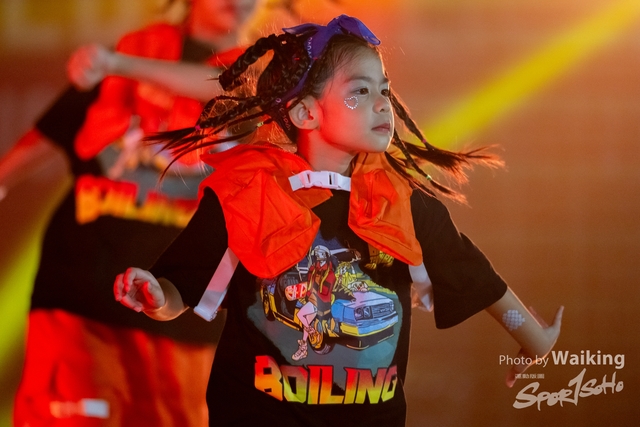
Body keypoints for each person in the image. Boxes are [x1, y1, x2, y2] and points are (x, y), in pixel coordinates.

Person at [113, 15, 564, 426]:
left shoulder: (404, 203)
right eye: (360, 92)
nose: (382, 104)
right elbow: (181, 289)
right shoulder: (247, 193)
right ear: (305, 112)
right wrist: (155, 295)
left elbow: (478, 278)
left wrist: (536, 339)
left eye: (384, 90)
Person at [2, 1, 261, 425]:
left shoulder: (261, 75)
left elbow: (229, 86)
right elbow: (53, 130)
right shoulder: (131, 50)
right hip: (83, 294)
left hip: (183, 310)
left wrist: (117, 65)